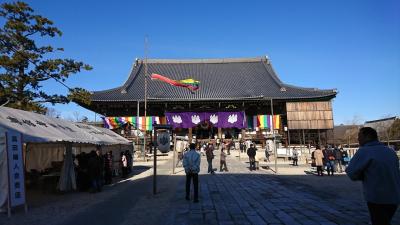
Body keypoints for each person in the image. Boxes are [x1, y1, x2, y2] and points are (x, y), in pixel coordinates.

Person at [346, 127, 400, 225]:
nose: (358, 139)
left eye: (359, 136)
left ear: (367, 137)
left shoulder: (365, 151)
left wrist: (362, 175)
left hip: (377, 197)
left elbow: (351, 173)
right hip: (395, 196)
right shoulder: (390, 151)